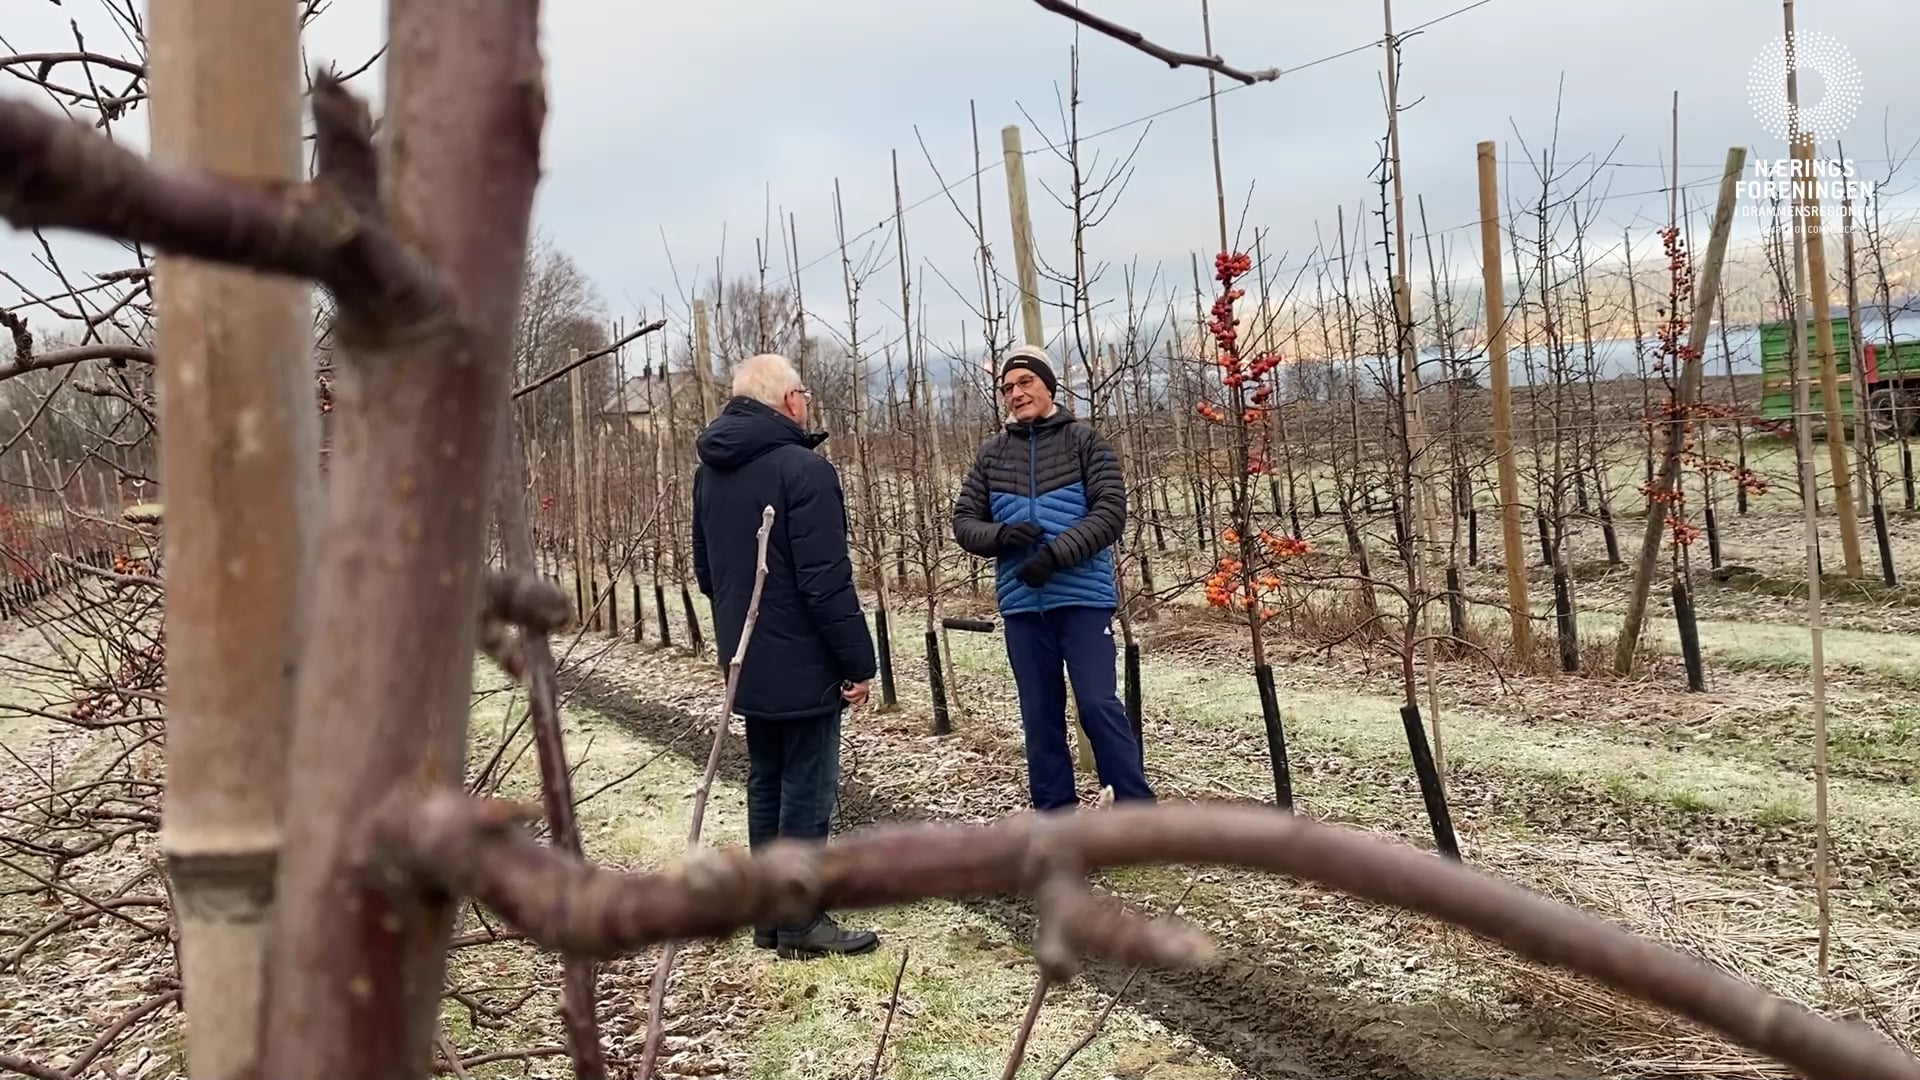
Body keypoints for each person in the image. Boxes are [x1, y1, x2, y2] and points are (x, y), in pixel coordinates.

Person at [691, 352, 880, 959]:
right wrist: (857, 663)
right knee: (808, 783)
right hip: (803, 657)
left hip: (744, 654)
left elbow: (705, 573)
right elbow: (826, 580)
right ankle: (800, 920)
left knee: (766, 779)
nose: (806, 403)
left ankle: (771, 917)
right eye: (802, 392)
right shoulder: (804, 471)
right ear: (787, 401)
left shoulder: (710, 472)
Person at [950, 343, 1155, 813]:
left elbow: (1110, 515)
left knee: (1097, 704)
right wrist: (1001, 535)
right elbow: (964, 521)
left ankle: (1136, 812)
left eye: (1025, 383)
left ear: (1047, 385)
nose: (1015, 394)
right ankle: (1054, 814)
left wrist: (1055, 556)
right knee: (1039, 714)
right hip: (1023, 604)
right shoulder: (991, 456)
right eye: (1007, 388)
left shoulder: (1086, 443)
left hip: (1082, 598)